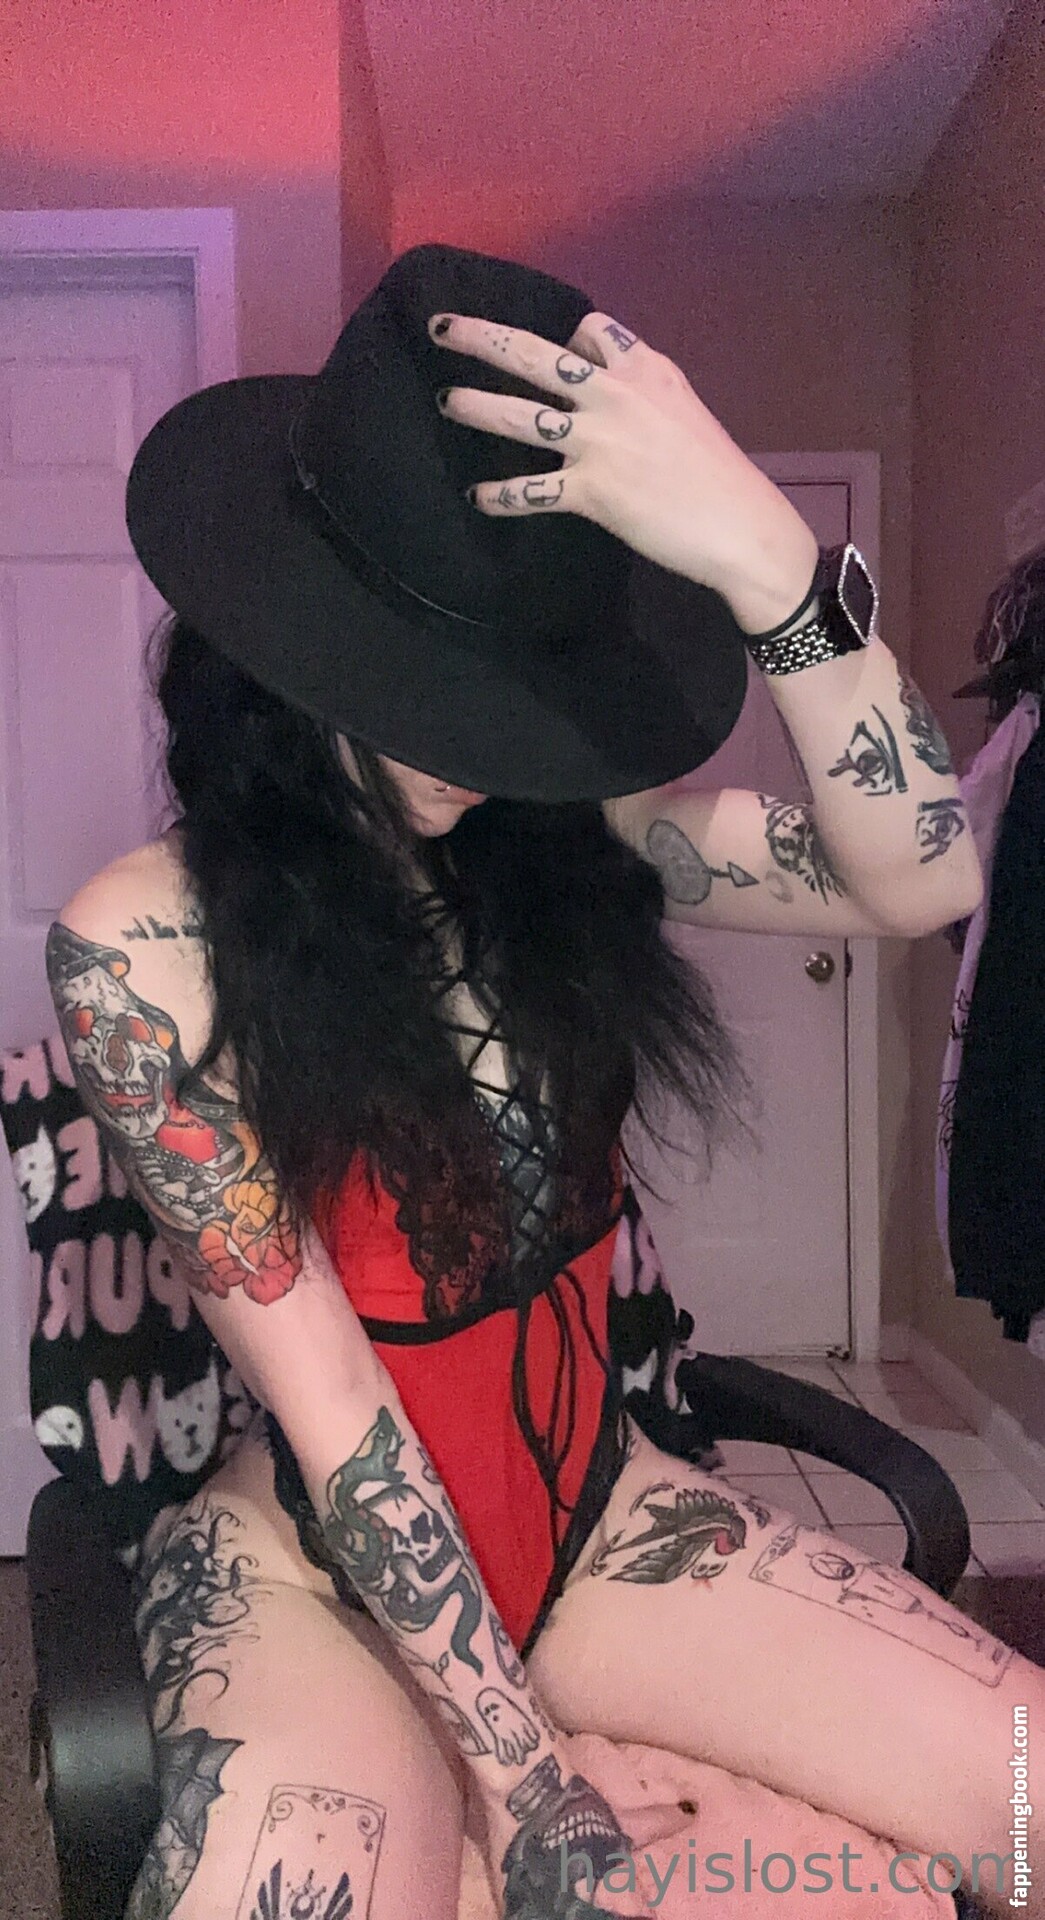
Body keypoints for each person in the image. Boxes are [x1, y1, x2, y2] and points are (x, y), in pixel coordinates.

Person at [45, 245, 1037, 1920]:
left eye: (509, 692)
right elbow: (335, 1409)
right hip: (319, 1576)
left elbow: (922, 876)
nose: (463, 747)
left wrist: (771, 562)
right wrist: (526, 1781)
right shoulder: (146, 946)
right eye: (414, 682)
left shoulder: (584, 844)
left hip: (598, 1520)